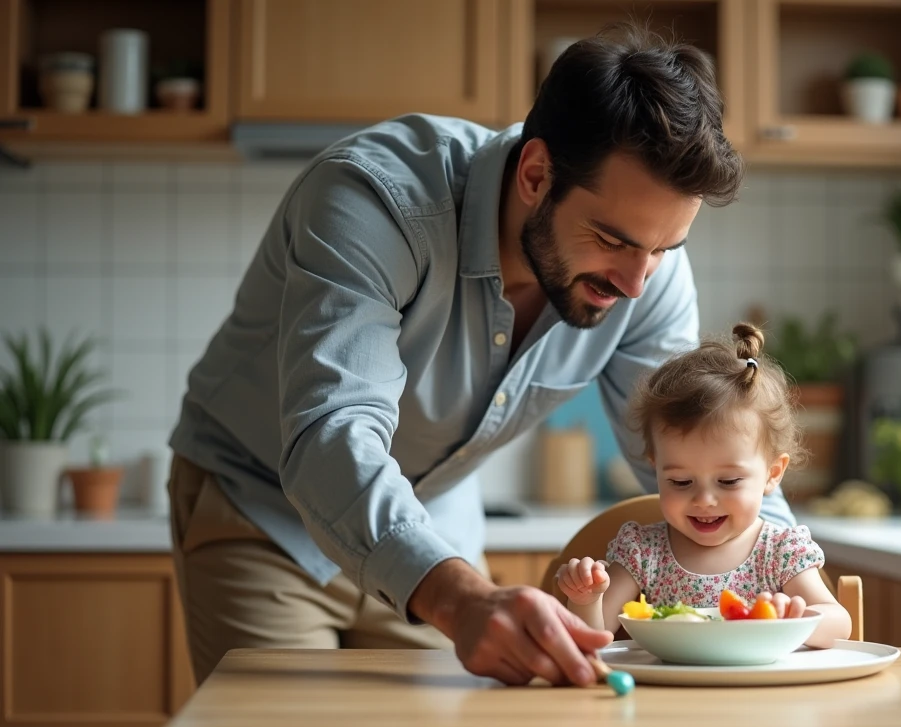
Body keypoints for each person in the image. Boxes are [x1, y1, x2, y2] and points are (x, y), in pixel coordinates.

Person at [166, 23, 799, 688]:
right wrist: (462, 599)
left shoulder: (649, 271)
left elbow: (702, 445)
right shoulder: (373, 201)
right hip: (262, 513)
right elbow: (332, 434)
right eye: (612, 238)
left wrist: (783, 584)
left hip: (432, 525)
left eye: (664, 248)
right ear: (535, 174)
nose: (637, 282)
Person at [555, 323, 851, 648]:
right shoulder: (643, 552)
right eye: (680, 481)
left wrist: (794, 619)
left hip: (762, 697)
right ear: (656, 468)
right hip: (669, 696)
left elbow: (840, 623)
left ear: (772, 473)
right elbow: (594, 639)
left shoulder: (779, 551)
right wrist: (587, 599)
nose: (705, 500)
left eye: (728, 481)